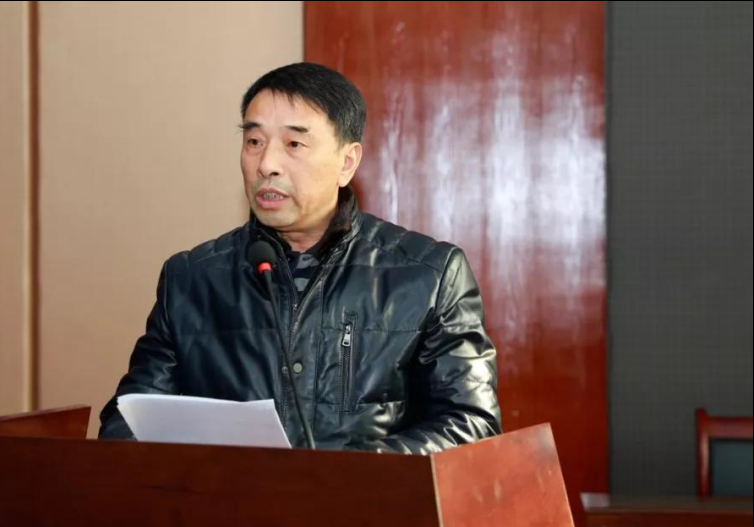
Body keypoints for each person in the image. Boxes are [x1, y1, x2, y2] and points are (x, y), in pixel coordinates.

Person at [98, 62, 501, 453]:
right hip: (227, 499)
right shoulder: (191, 278)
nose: (266, 165)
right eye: (254, 142)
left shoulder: (429, 275)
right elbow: (128, 421)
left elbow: (471, 425)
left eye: (294, 144)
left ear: (346, 162)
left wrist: (351, 475)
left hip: (367, 499)